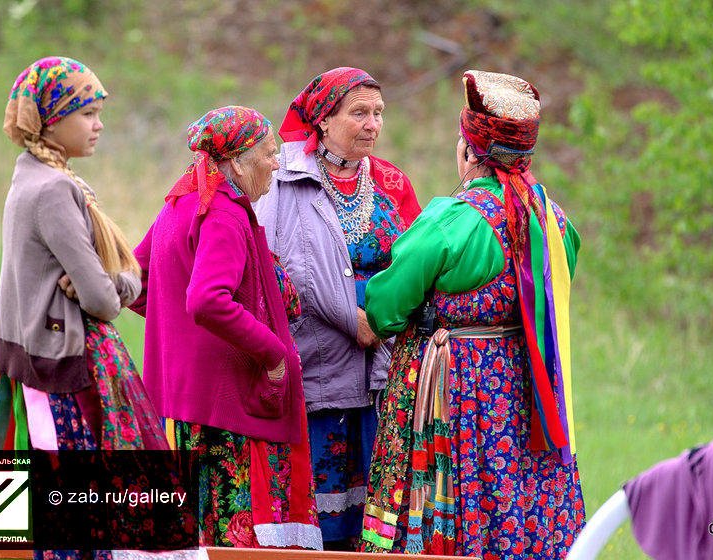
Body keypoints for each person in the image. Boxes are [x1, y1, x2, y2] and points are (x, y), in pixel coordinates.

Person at [359, 70, 586, 558]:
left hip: (456, 386)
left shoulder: (453, 219)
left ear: (469, 150)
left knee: (461, 483)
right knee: (516, 483)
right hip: (527, 385)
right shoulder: (555, 221)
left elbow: (384, 306)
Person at [0, 56, 169, 558]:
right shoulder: (56, 188)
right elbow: (101, 300)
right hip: (68, 364)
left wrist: (103, 281)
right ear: (53, 119)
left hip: (28, 358)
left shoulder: (26, 177)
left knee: (33, 496)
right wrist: (126, 282)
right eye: (88, 113)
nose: (99, 125)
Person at [130, 106, 322, 550]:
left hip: (190, 398)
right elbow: (207, 299)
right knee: (230, 531)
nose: (277, 163)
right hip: (227, 401)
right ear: (236, 161)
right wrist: (273, 354)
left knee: (198, 525)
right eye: (269, 154)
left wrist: (182, 334)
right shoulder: (222, 213)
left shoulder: (179, 203)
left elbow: (138, 281)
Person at [255, 66, 421, 549]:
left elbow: (414, 264)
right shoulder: (285, 180)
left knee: (373, 495)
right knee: (315, 497)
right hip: (315, 360)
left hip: (380, 364)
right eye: (359, 113)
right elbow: (270, 261)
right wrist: (349, 317)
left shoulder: (391, 181)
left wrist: (385, 321)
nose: (372, 124)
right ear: (323, 120)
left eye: (378, 114)